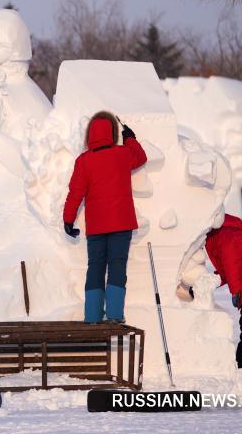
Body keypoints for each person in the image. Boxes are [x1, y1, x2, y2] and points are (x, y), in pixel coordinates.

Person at [63, 111, 147, 324]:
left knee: (96, 267)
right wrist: (130, 138)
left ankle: (92, 316)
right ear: (111, 132)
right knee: (117, 265)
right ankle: (115, 315)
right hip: (121, 223)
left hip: (97, 226)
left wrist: (68, 219)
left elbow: (75, 193)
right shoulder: (122, 154)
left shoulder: (84, 161)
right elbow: (141, 157)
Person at [179, 214, 242, 371]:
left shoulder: (223, 236)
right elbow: (225, 271)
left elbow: (231, 265)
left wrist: (235, 291)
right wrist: (203, 285)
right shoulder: (228, 234)